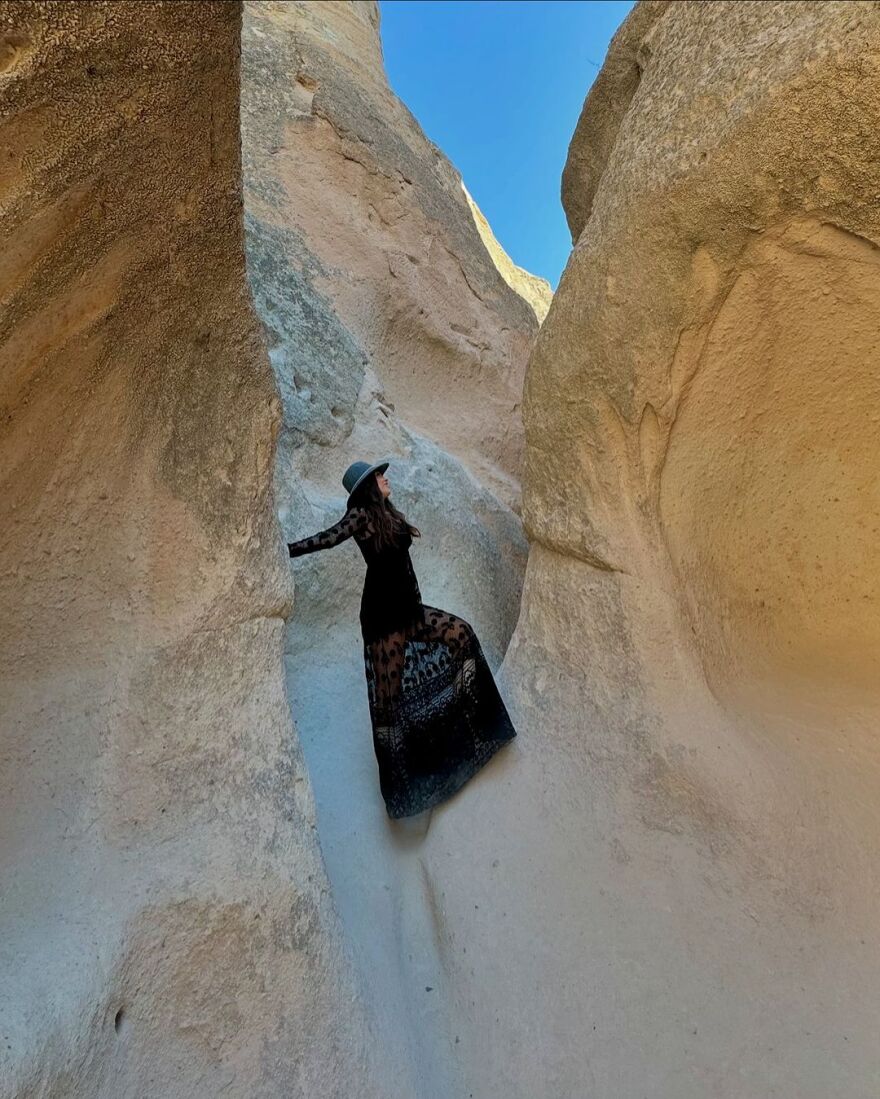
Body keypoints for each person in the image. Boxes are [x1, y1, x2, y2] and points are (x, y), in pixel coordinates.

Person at [286, 458, 517, 819]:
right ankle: (404, 795)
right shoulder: (361, 515)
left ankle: (479, 728)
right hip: (383, 620)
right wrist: (286, 549)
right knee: (389, 705)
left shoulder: (387, 513)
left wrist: (416, 603)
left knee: (462, 634)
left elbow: (403, 565)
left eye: (382, 474)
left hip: (410, 611)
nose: (385, 479)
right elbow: (329, 538)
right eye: (378, 476)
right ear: (368, 487)